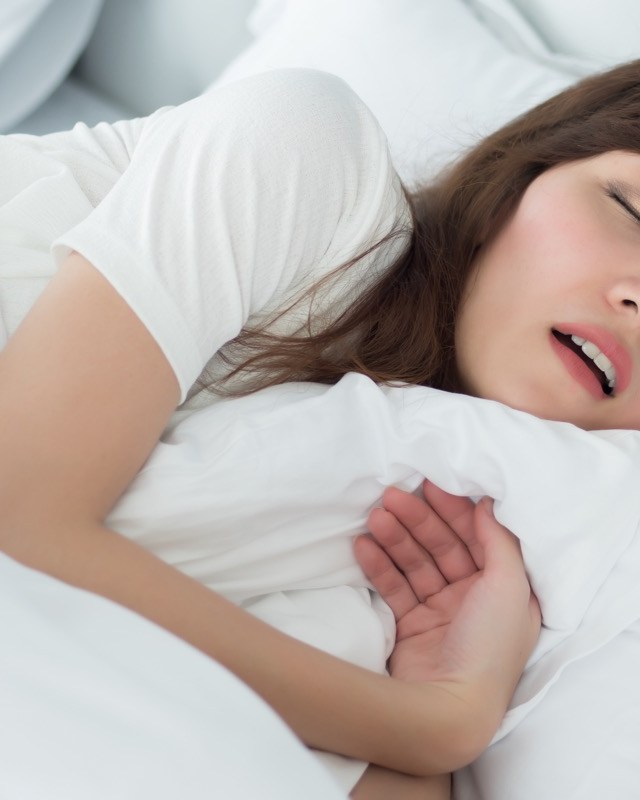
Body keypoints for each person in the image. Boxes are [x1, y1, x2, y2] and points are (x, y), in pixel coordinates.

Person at [2, 54, 640, 795]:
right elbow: (18, 522)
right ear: (521, 174)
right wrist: (437, 725)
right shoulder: (312, 156)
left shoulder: (460, 525)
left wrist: (432, 708)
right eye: (631, 211)